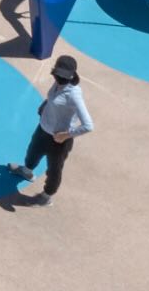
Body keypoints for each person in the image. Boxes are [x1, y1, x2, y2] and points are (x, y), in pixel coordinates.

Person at [9, 56, 93, 207]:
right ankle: (26, 171)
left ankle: (46, 197)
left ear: (72, 76)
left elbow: (88, 125)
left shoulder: (74, 94)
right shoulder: (57, 84)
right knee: (32, 152)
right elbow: (53, 98)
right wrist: (45, 105)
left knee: (54, 169)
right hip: (43, 129)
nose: (59, 78)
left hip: (58, 140)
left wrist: (66, 135)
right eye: (57, 75)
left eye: (63, 76)